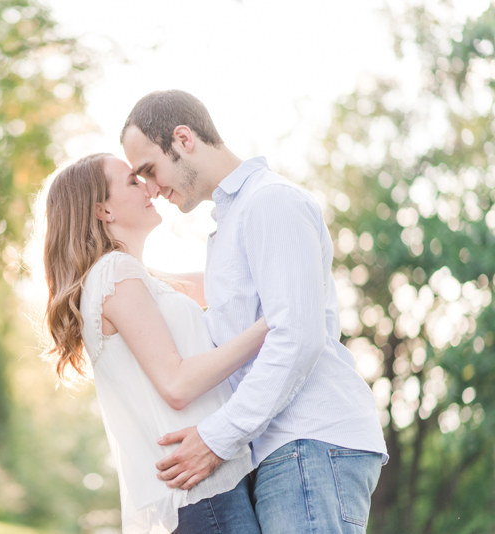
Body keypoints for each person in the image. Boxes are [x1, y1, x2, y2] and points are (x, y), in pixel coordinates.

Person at [120, 90, 388, 534]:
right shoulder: (231, 224)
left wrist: (217, 437)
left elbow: (296, 336)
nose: (151, 188)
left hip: (309, 441)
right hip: (282, 449)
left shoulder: (270, 202)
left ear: (183, 139)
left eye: (149, 169)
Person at [42, 153, 270, 534]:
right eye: (132, 181)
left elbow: (226, 280)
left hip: (208, 489)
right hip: (205, 492)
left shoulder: (135, 277)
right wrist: (272, 324)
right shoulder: (115, 274)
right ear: (103, 210)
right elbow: (177, 384)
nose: (148, 186)